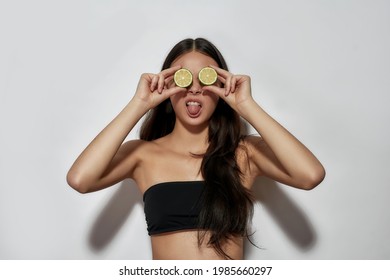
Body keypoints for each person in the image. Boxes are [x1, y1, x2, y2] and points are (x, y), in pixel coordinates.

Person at [67, 38, 325, 260]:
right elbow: (80, 180)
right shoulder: (142, 155)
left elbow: (310, 175)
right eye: (183, 78)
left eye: (206, 77)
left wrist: (246, 105)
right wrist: (139, 103)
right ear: (167, 85)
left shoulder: (245, 153)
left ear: (221, 85)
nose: (194, 88)